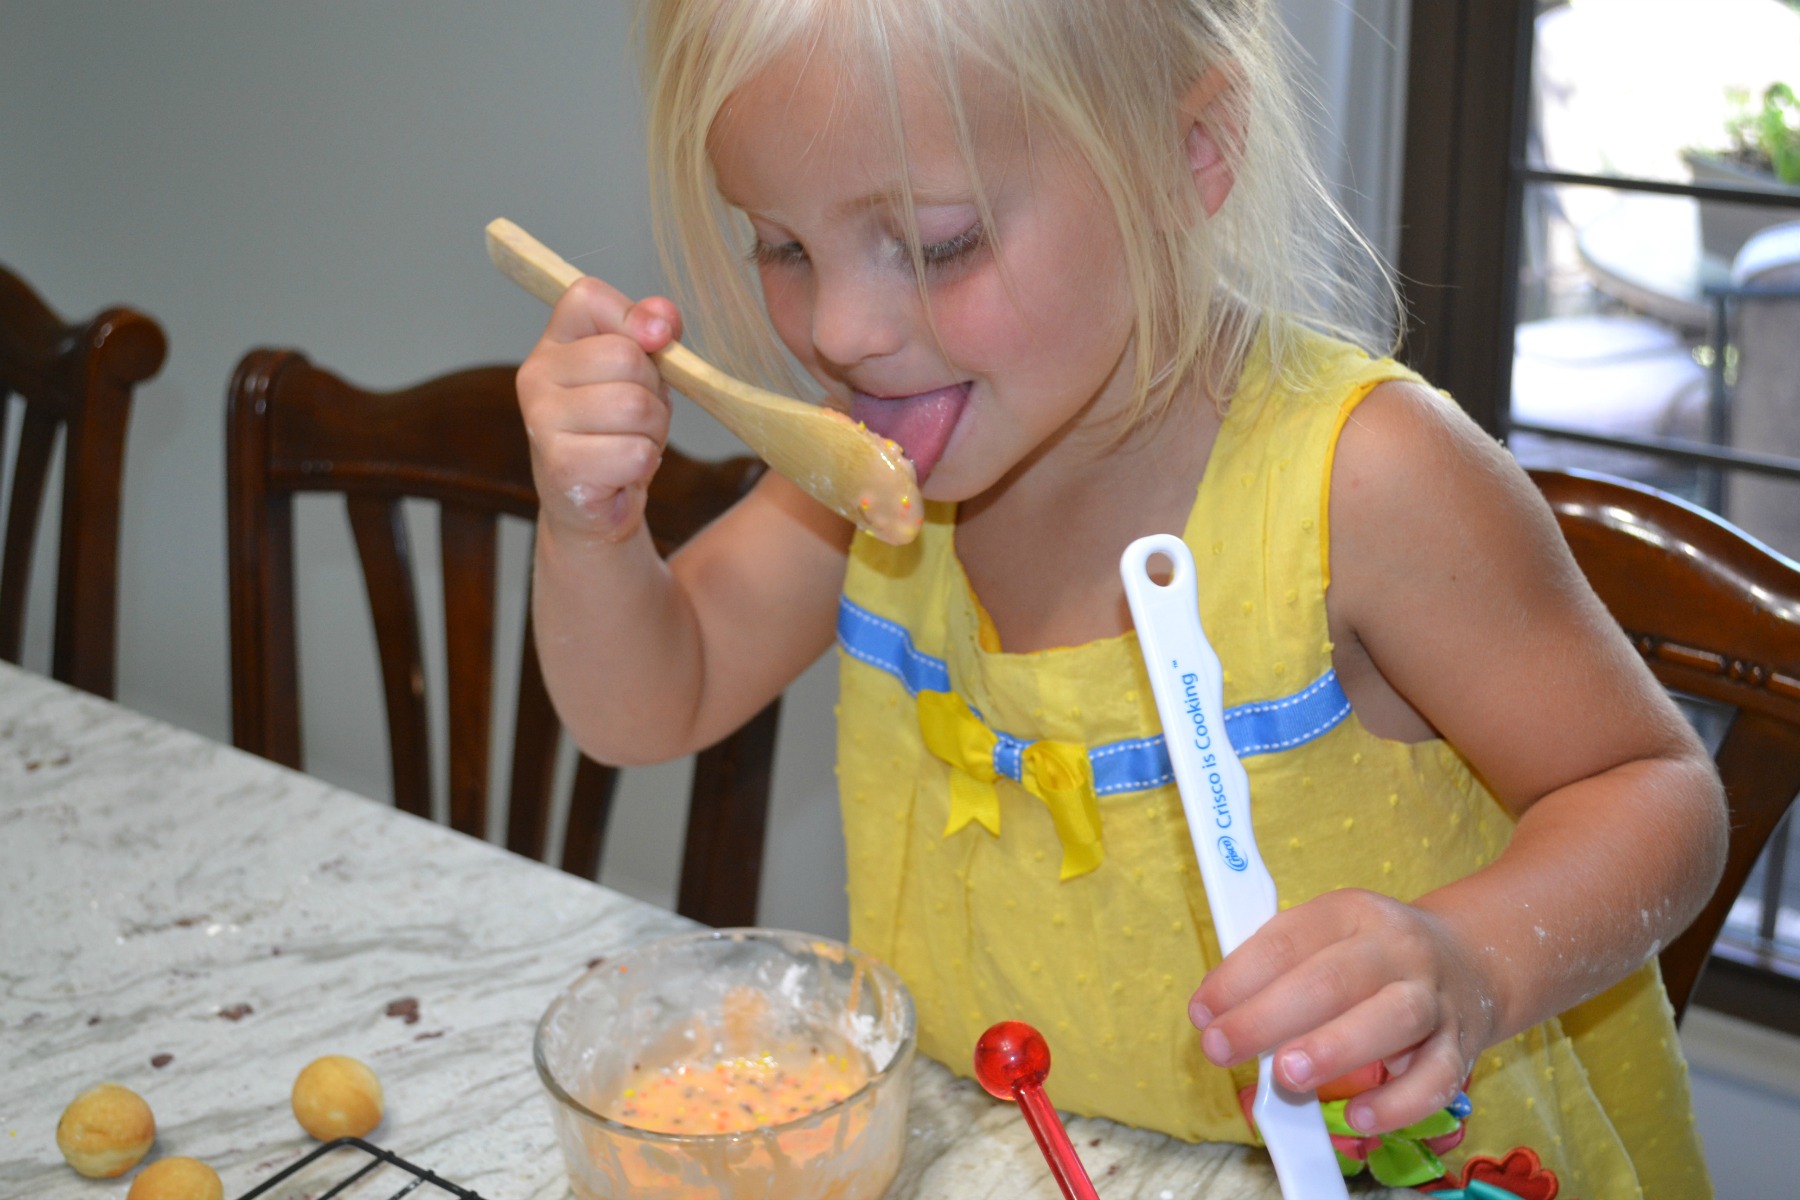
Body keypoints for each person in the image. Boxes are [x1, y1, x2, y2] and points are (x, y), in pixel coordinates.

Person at [514, 2, 1726, 1195]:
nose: (840, 330)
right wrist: (590, 530)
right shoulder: (870, 473)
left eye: (939, 244)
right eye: (782, 246)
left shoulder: (1367, 481)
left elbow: (1656, 794)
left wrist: (1471, 959)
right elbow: (647, 706)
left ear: (1190, 149)